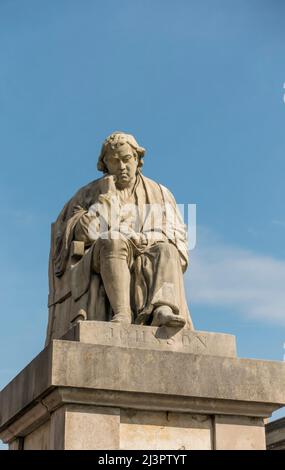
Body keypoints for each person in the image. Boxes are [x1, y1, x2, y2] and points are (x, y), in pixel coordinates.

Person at [46, 132, 193, 343]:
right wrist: (105, 200)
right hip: (101, 255)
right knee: (113, 239)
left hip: (147, 249)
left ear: (137, 159)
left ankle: (162, 308)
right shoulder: (87, 194)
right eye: (115, 161)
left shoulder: (160, 193)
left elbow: (175, 234)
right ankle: (122, 313)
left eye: (126, 159)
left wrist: (142, 239)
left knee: (166, 249)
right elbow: (83, 234)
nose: (122, 166)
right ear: (105, 164)